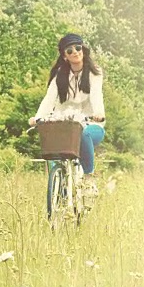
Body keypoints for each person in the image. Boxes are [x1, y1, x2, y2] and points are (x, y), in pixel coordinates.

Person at [28, 33, 106, 194]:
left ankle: (89, 178)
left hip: (90, 122)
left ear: (83, 49)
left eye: (78, 48)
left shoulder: (94, 72)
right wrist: (37, 117)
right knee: (53, 148)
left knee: (84, 134)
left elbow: (96, 95)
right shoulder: (60, 76)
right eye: (70, 50)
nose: (75, 52)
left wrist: (98, 113)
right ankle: (58, 186)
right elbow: (49, 99)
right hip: (64, 123)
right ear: (65, 56)